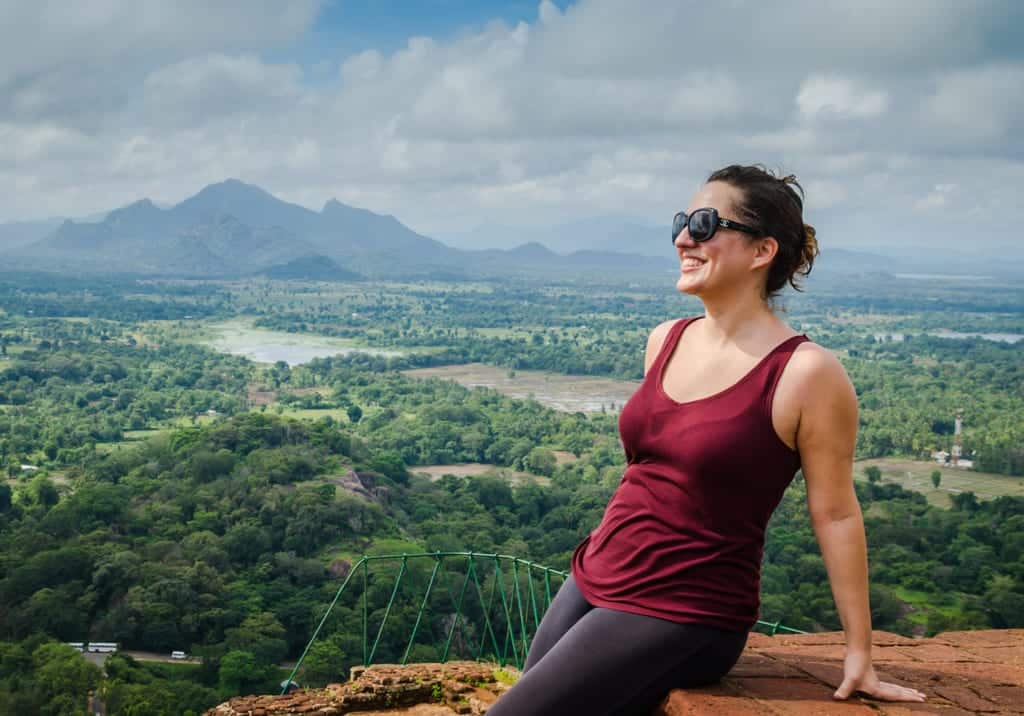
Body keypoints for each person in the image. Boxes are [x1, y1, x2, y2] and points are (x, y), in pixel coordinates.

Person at [487, 165, 927, 715]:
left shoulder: (806, 373)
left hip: (689, 607)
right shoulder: (666, 340)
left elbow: (836, 514)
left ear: (762, 250)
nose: (682, 238)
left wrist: (859, 651)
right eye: (681, 221)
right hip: (596, 573)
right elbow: (649, 475)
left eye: (703, 223)